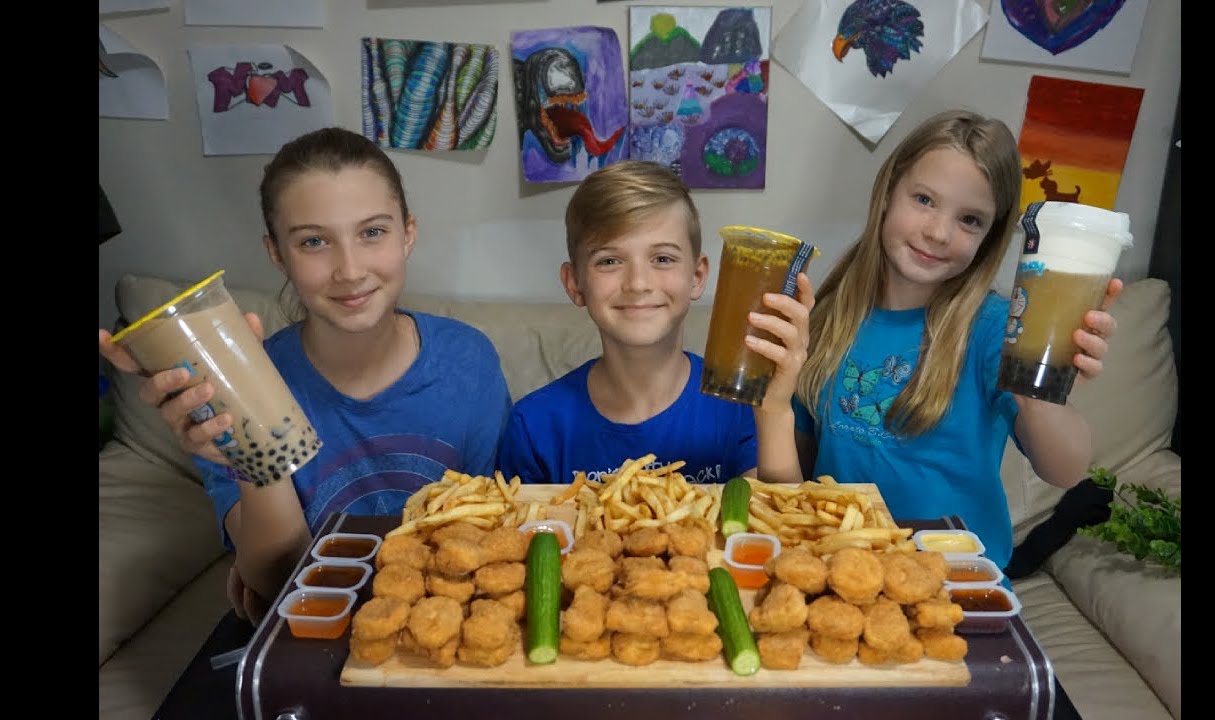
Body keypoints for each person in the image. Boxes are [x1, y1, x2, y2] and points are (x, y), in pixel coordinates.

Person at [97, 127, 511, 622]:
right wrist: (250, 449)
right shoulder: (228, 391)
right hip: (314, 636)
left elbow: (496, 536)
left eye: (372, 232)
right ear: (277, 253)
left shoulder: (469, 361)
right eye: (314, 241)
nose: (350, 270)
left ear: (408, 234)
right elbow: (278, 584)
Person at [760, 109, 1122, 572]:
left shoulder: (995, 329)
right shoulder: (828, 313)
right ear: (887, 192)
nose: (938, 233)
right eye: (924, 199)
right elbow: (798, 475)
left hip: (960, 581)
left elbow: (1066, 470)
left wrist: (1040, 394)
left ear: (989, 237)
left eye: (970, 220)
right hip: (849, 573)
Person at [496, 160, 813, 485]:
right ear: (575, 283)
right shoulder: (533, 426)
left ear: (697, 276)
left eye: (662, 259)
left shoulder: (739, 406)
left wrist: (774, 411)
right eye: (609, 261)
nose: (638, 283)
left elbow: (778, 515)